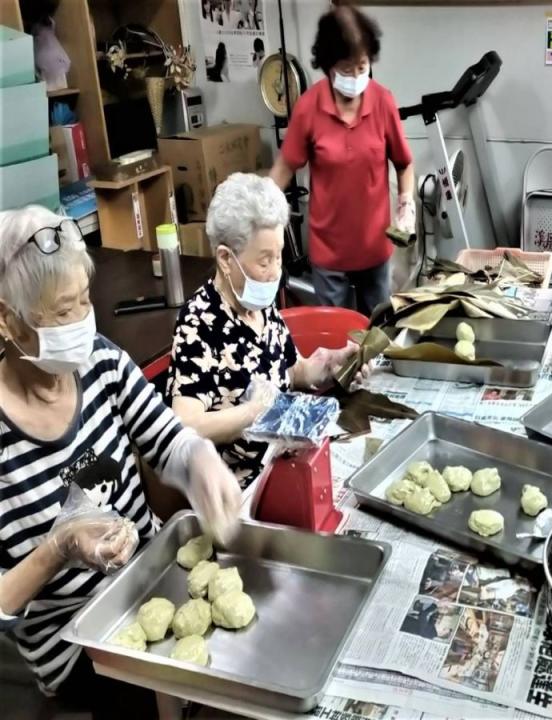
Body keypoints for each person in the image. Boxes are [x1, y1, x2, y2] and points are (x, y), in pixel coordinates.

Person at [0, 206, 240, 716]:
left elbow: (169, 441)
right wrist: (60, 546)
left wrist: (199, 462)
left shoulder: (101, 360)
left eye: (85, 301)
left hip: (154, 577)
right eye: (62, 312)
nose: (82, 323)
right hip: (75, 641)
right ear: (7, 320)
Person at [167, 173, 368, 488]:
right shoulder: (200, 324)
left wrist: (331, 365)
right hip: (245, 487)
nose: (276, 271)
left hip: (290, 462)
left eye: (278, 257)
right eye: (264, 261)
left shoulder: (260, 304)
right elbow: (186, 424)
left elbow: (292, 370)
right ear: (225, 259)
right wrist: (256, 412)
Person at [269, 4, 415, 316]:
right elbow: (284, 167)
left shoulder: (383, 102)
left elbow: (404, 163)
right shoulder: (309, 108)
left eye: (362, 67)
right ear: (328, 65)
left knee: (376, 330)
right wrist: (259, 212)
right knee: (333, 341)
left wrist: (406, 206)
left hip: (375, 247)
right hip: (328, 251)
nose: (356, 76)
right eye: (346, 69)